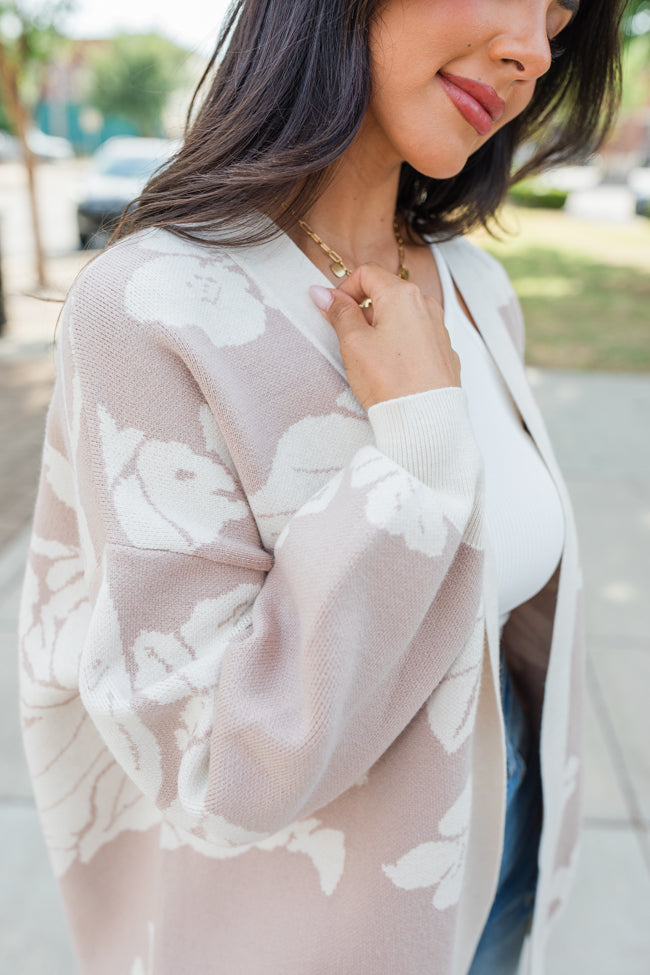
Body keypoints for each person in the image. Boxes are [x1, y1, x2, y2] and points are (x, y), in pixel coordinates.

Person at [19, 1, 625, 973]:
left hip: (500, 865)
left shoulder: (473, 287)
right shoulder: (152, 306)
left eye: (560, 16)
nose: (531, 50)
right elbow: (219, 759)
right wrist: (416, 447)